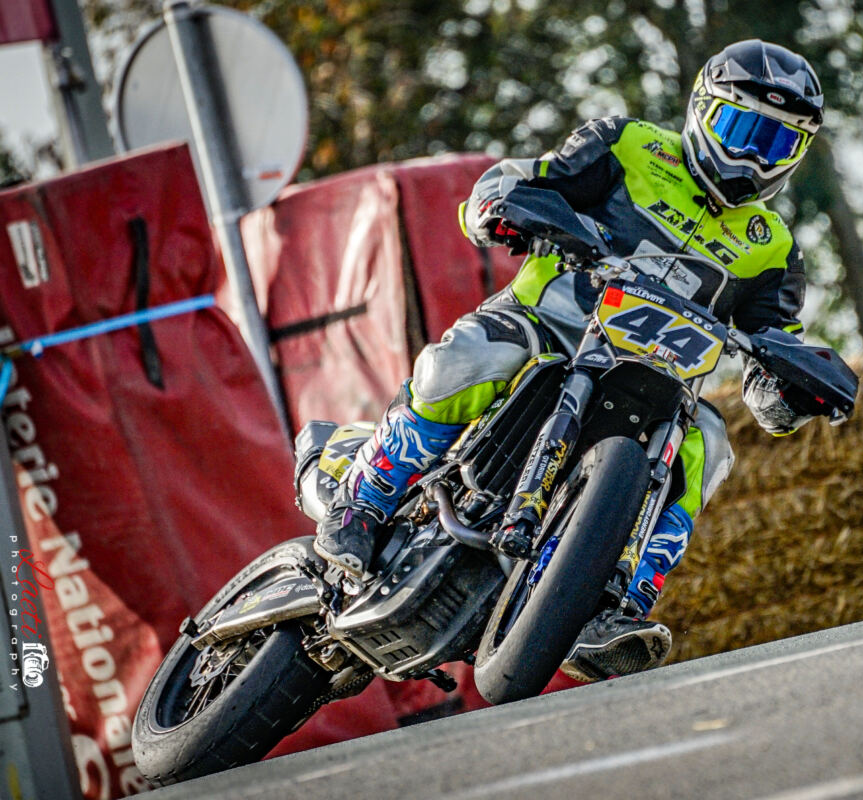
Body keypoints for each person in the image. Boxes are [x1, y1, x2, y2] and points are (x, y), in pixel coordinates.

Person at [315, 39, 826, 682]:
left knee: (712, 443)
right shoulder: (630, 144)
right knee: (473, 356)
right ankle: (362, 501)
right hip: (548, 326)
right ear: (702, 110)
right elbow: (524, 178)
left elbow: (775, 341)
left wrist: (789, 390)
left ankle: (616, 603)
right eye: (741, 129)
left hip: (659, 384)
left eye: (777, 143)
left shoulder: (773, 247)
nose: (753, 156)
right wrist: (503, 206)